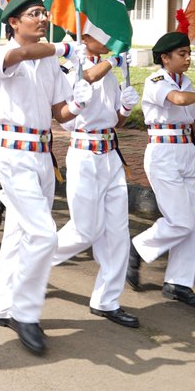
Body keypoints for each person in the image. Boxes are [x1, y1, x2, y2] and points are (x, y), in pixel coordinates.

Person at [0, 0, 92, 356]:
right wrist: (61, 48)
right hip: (14, 153)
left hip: (44, 153)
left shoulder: (49, 60)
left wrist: (80, 100)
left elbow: (60, 113)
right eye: (33, 14)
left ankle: (1, 305)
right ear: (14, 22)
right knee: (44, 234)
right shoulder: (0, 53)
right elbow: (22, 55)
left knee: (19, 233)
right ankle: (25, 312)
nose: (42, 18)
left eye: (44, 13)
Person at [127, 30, 195, 309]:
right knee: (180, 220)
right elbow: (179, 100)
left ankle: (179, 283)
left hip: (186, 152)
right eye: (181, 54)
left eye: (188, 53)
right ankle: (137, 248)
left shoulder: (187, 82)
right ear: (165, 57)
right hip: (163, 154)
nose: (188, 58)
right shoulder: (156, 81)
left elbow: (187, 122)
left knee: (189, 223)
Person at [50, 37, 142, 328]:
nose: (112, 41)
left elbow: (116, 122)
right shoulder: (70, 70)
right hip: (84, 154)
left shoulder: (111, 75)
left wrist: (125, 110)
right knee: (84, 230)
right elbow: (66, 115)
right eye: (104, 35)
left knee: (117, 233)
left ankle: (107, 301)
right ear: (86, 37)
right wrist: (114, 60)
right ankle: (30, 263)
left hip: (111, 154)